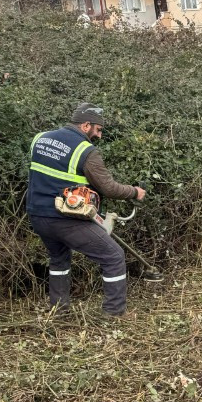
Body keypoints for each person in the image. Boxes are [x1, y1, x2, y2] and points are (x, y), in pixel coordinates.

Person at [26, 103, 146, 316]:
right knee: (114, 256)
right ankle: (114, 313)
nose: (99, 135)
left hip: (37, 215)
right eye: (98, 130)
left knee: (59, 258)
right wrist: (134, 192)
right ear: (85, 125)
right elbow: (108, 188)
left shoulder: (40, 139)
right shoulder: (86, 151)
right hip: (64, 218)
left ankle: (58, 310)